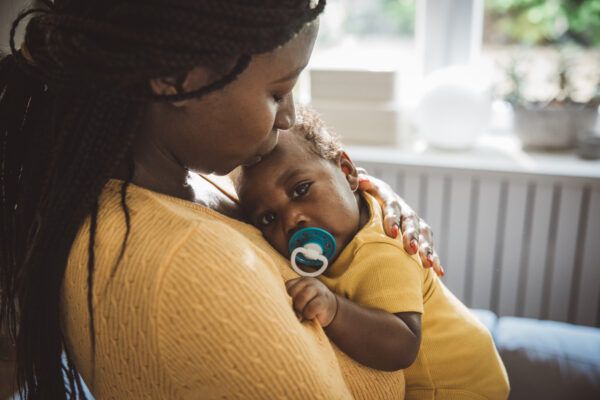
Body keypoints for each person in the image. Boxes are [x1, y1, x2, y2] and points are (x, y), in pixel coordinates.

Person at [0, 1, 443, 398]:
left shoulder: (196, 177)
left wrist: (369, 202)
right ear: (175, 81)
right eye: (277, 92)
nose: (289, 117)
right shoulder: (187, 265)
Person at [234, 107, 510, 399]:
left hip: (455, 383)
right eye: (268, 218)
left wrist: (335, 309)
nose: (291, 220)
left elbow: (402, 346)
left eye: (301, 189)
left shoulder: (381, 251)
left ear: (348, 173)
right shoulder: (337, 233)